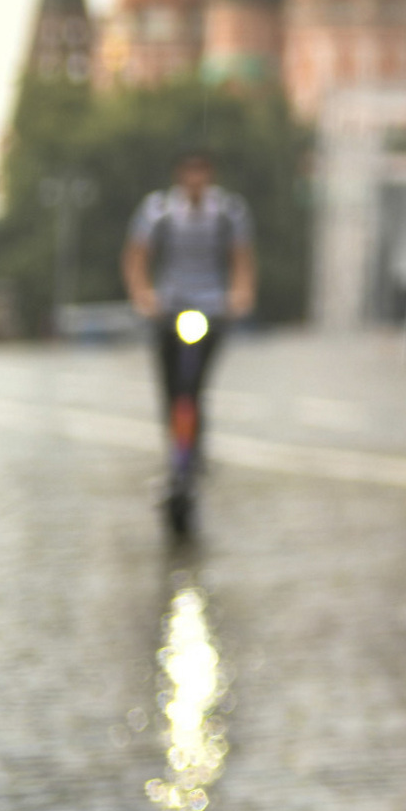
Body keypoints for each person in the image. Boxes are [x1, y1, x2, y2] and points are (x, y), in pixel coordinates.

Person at [122, 150, 256, 533]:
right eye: (189, 172)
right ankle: (175, 458)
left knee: (194, 388)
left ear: (209, 175)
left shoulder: (229, 212)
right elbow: (136, 256)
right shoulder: (159, 211)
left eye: (202, 172)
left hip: (210, 311)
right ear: (180, 175)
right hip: (170, 311)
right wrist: (143, 295)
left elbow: (242, 259)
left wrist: (241, 294)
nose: (195, 179)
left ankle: (194, 455)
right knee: (172, 389)